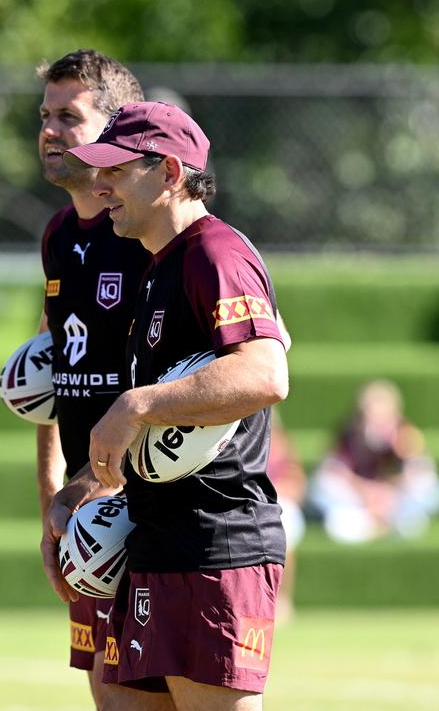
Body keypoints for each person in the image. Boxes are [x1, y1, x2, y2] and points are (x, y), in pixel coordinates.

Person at [45, 101, 290, 710]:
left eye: (117, 172)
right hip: (153, 538)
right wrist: (84, 487)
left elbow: (265, 373)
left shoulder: (216, 254)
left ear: (171, 173)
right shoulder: (159, 264)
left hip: (213, 546)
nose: (100, 187)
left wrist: (136, 404)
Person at [33, 49, 151, 708]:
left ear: (114, 128)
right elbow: (55, 379)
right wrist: (52, 508)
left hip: (148, 510)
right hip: (87, 513)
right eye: (44, 115)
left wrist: (91, 486)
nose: (49, 130)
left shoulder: (144, 231)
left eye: (68, 117)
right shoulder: (56, 235)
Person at [307, 378, 439, 543]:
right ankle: (371, 524)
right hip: (358, 499)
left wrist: (388, 493)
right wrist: (367, 492)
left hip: (394, 499)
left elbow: (420, 475)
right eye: (372, 415)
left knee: (435, 490)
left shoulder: (406, 437)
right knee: (319, 489)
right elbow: (334, 473)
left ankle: (387, 524)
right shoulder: (347, 436)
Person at [266, 408, 307, 622]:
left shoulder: (282, 446)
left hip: (277, 504)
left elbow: (297, 483)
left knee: (286, 524)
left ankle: (282, 599)